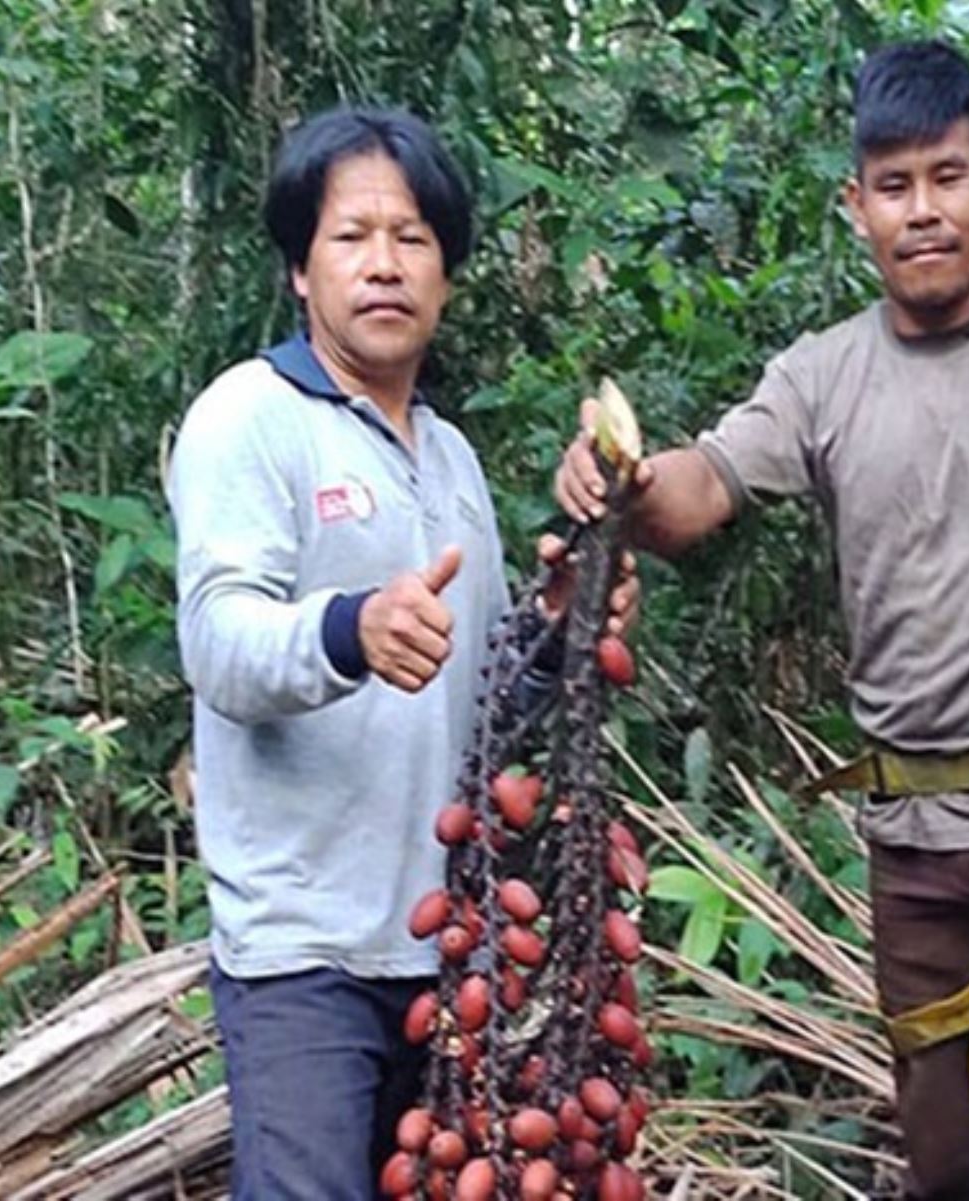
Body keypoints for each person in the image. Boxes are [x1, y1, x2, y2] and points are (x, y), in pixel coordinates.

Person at [555, 41, 969, 1201]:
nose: (924, 211)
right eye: (895, 186)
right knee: (955, 1167)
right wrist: (619, 480)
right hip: (915, 837)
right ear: (856, 204)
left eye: (947, 178)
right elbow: (696, 489)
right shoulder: (821, 376)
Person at [167, 107, 634, 1200]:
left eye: (413, 238)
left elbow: (474, 714)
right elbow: (219, 642)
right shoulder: (250, 417)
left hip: (443, 947)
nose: (385, 264)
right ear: (298, 268)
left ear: (447, 275)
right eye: (352, 236)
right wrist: (350, 626)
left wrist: (559, 628)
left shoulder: (451, 460)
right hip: (303, 956)